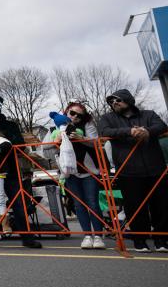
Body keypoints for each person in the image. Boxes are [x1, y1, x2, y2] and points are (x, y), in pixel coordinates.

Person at [97, 89, 168, 253]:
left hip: (155, 168)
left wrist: (146, 131)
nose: (114, 103)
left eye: (117, 100)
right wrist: (129, 132)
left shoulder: (148, 114)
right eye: (111, 102)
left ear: (128, 100)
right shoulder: (108, 118)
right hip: (128, 171)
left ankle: (161, 239)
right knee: (134, 207)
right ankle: (140, 240)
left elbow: (161, 126)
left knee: (161, 205)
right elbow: (104, 131)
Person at [0, 97, 42, 248]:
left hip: (9, 169)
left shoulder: (10, 125)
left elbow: (20, 144)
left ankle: (27, 237)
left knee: (18, 202)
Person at [50, 102, 106, 249]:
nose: (75, 116)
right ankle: (87, 235)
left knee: (92, 202)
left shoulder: (87, 125)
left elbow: (96, 143)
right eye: (72, 113)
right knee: (78, 204)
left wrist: (81, 139)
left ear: (83, 117)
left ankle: (99, 236)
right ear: (66, 113)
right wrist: (56, 141)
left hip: (88, 169)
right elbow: (46, 146)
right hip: (70, 170)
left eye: (79, 115)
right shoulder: (58, 126)